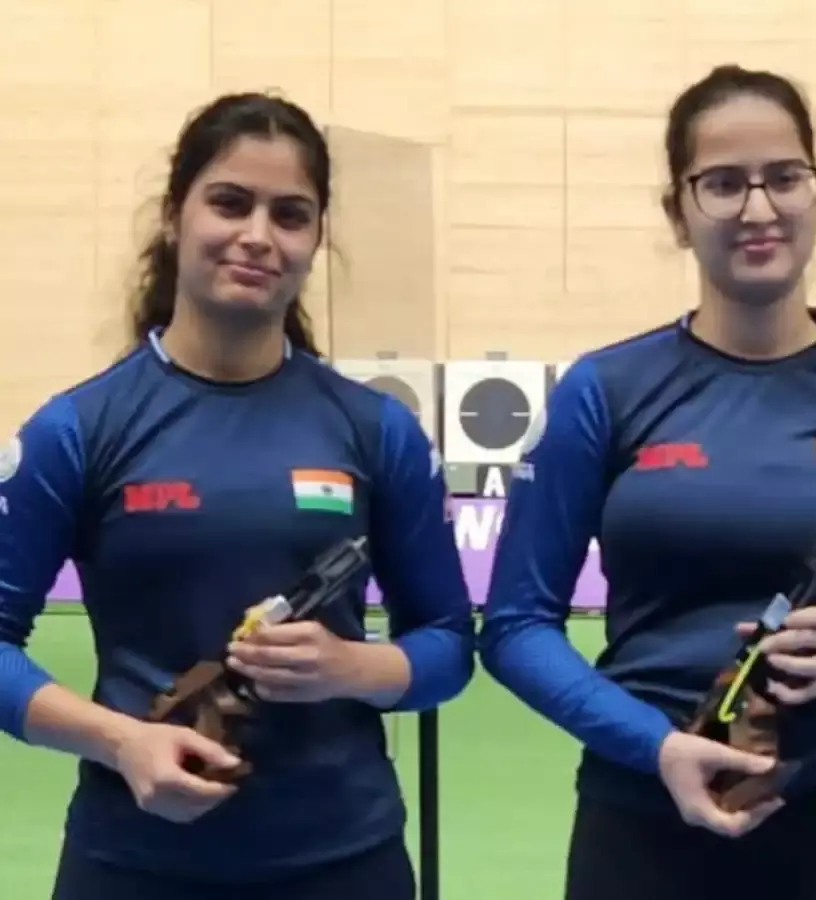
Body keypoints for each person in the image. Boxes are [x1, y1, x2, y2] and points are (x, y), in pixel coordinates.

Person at [479, 64, 816, 900]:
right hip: (639, 826)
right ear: (677, 213)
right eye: (722, 184)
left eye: (784, 178)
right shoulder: (604, 392)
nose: (758, 209)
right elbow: (514, 627)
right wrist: (652, 745)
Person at [0, 92, 475, 900]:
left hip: (344, 863)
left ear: (315, 240)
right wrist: (120, 742)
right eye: (229, 203)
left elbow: (449, 646)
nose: (258, 235)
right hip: (131, 865)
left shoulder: (377, 431)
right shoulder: (77, 429)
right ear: (173, 216)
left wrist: (352, 667)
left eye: (290, 215)